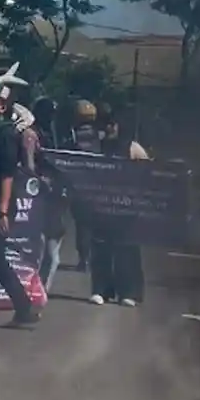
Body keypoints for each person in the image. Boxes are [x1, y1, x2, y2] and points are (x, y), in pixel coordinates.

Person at [0, 86, 38, 326]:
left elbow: (7, 175)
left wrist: (3, 211)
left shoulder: (6, 135)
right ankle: (24, 308)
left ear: (2, 107)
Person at [89, 117, 147, 307]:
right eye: (106, 124)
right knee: (100, 250)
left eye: (112, 123)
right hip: (102, 208)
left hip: (127, 209)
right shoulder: (98, 146)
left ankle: (128, 292)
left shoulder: (134, 148)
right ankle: (101, 290)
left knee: (127, 252)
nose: (109, 127)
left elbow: (148, 173)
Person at [29, 97, 66, 293]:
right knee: (38, 252)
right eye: (48, 113)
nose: (51, 118)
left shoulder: (55, 135)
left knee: (52, 256)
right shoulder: (32, 135)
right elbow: (28, 167)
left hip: (54, 201)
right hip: (36, 199)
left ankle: (39, 294)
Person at [67, 99, 102, 271]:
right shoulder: (100, 137)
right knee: (94, 225)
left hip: (78, 187)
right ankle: (92, 258)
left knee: (82, 225)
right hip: (98, 187)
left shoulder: (72, 136)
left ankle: (84, 258)